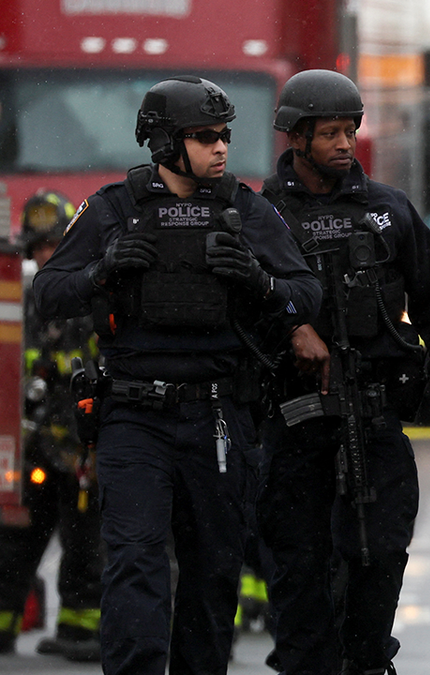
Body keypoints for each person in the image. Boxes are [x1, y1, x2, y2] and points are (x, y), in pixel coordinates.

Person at [32, 75, 321, 675]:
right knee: (135, 560)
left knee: (213, 570)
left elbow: (307, 295)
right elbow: (49, 294)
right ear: (165, 142)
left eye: (224, 136)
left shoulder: (246, 209)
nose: (221, 148)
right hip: (133, 418)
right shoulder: (113, 209)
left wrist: (258, 280)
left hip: (218, 415)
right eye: (205, 137)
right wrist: (101, 271)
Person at [256, 68, 430, 675]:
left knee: (379, 559)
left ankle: (368, 659)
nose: (345, 144)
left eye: (351, 130)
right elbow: (239, 314)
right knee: (300, 572)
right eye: (330, 133)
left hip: (375, 422)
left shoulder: (389, 212)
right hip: (295, 429)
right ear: (296, 138)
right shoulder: (259, 215)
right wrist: (292, 329)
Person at [0, 190, 104, 662]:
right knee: (16, 541)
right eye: (37, 247)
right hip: (34, 446)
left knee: (84, 538)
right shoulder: (23, 296)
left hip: (81, 447)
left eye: (52, 245)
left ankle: (80, 627)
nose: (44, 255)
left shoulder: (90, 292)